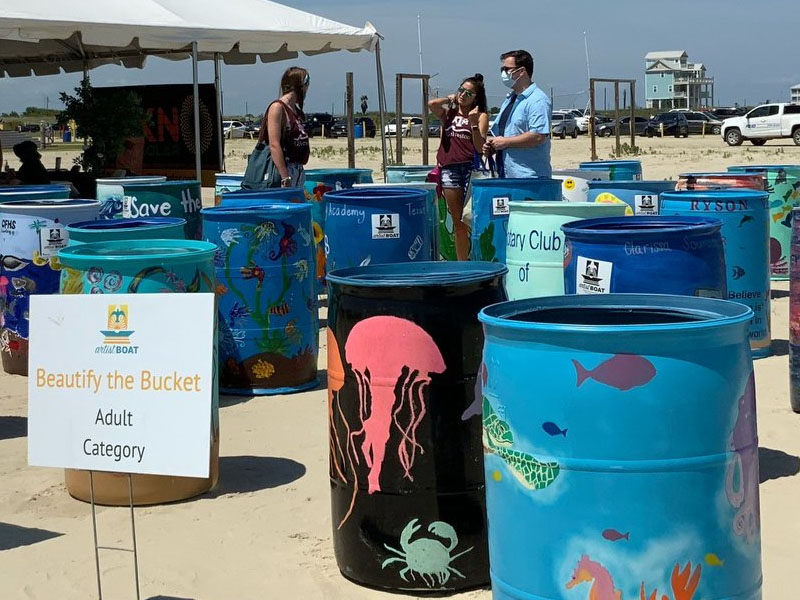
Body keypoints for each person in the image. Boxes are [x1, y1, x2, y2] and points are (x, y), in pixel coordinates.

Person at [428, 74, 489, 260]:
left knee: (470, 216)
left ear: (476, 98)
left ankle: (473, 248)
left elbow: (480, 147)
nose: (463, 95)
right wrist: (449, 99)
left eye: (469, 93)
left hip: (471, 169)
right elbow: (432, 105)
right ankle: (463, 261)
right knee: (457, 219)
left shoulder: (481, 116)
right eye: (461, 90)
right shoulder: (449, 113)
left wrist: (473, 124)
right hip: (449, 169)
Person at [483, 50, 552, 178]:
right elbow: (507, 134)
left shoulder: (537, 100)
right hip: (506, 175)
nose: (503, 73)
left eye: (507, 69)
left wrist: (506, 142)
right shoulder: (510, 99)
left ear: (521, 71)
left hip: (529, 178)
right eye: (502, 69)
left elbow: (538, 136)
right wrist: (494, 146)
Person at [263, 66, 311, 187]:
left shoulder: (295, 110)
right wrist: (285, 177)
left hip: (297, 169)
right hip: (282, 171)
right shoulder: (277, 108)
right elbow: (274, 144)